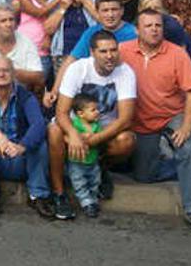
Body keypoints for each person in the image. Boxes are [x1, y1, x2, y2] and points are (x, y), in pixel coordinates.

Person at [119, 9, 191, 236]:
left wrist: (186, 126)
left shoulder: (178, 54)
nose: (154, 30)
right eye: (148, 26)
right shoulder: (123, 50)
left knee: (187, 148)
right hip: (141, 121)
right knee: (143, 176)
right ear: (138, 30)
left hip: (172, 115)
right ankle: (173, 165)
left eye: (158, 25)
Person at [47, 31, 137, 220]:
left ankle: (100, 168)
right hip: (75, 127)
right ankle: (59, 193)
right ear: (92, 52)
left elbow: (126, 118)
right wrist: (73, 135)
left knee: (127, 140)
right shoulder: (78, 69)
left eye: (113, 50)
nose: (110, 56)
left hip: (102, 131)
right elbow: (61, 112)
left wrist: (93, 139)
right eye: (103, 51)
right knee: (54, 130)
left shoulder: (125, 72)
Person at [0, 56, 53, 220]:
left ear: (13, 73)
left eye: (6, 70)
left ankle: (38, 195)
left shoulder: (26, 96)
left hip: (20, 157)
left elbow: (38, 123)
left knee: (39, 142)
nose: (1, 74)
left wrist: (22, 146)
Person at [48, 0, 137, 102]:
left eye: (114, 10)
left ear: (122, 11)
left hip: (127, 87)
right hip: (97, 92)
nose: (110, 15)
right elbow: (71, 60)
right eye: (105, 10)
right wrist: (55, 90)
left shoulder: (134, 33)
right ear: (97, 12)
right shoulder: (91, 33)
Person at [137, 0, 191, 83]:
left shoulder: (170, 27)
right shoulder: (141, 22)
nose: (153, 12)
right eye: (148, 8)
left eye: (157, 8)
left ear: (162, 10)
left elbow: (180, 54)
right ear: (140, 10)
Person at [43, 0, 98, 73]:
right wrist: (62, 8)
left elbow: (104, 20)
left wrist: (84, 1)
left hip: (92, 53)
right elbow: (48, 29)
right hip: (64, 53)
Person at [17, 0, 64, 88]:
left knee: (39, 88)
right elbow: (39, 13)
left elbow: (54, 23)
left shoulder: (52, 1)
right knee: (21, 89)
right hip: (24, 50)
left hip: (42, 52)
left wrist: (48, 37)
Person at [66, 93, 102, 218]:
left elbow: (101, 137)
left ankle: (93, 200)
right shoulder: (75, 125)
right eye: (93, 110)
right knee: (79, 183)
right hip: (77, 162)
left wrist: (94, 137)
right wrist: (81, 137)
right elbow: (67, 137)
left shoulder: (96, 126)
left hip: (93, 161)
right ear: (80, 113)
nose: (97, 112)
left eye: (97, 109)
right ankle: (86, 203)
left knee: (94, 181)